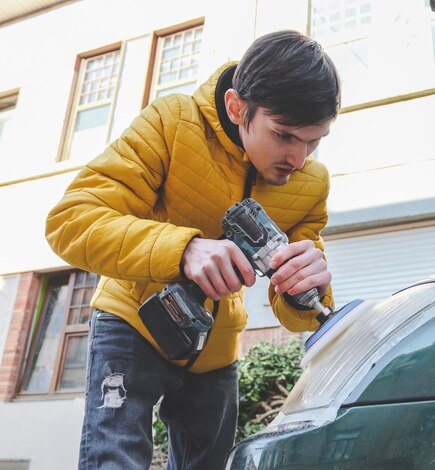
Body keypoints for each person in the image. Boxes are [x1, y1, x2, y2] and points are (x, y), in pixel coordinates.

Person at [45, 30, 340, 469]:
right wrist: (184, 250)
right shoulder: (172, 121)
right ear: (238, 107)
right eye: (284, 136)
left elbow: (295, 312)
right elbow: (71, 221)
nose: (298, 159)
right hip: (132, 324)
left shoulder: (312, 184)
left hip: (217, 349)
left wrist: (308, 286)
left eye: (313, 141)